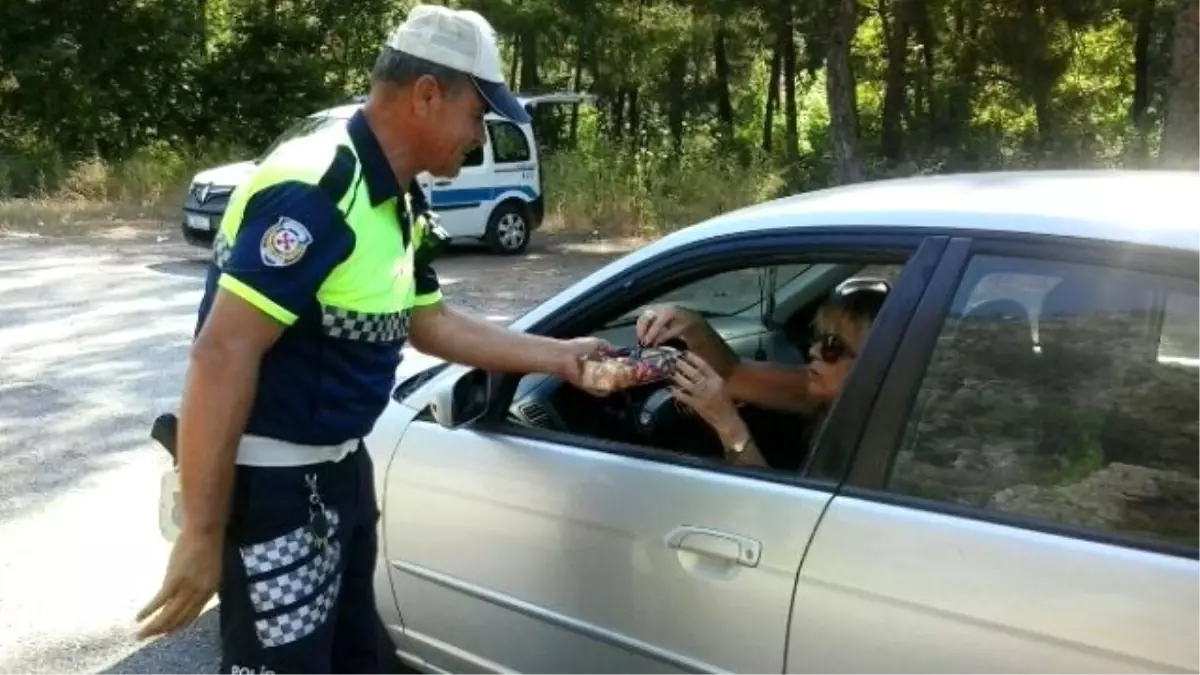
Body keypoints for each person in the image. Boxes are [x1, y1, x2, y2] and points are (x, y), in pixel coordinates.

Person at [134, 6, 608, 673]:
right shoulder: (319, 186)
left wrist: (561, 355)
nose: (478, 137)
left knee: (360, 659)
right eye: (478, 116)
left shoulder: (400, 199)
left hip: (340, 477)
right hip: (278, 491)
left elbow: (429, 321)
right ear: (426, 95)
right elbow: (222, 352)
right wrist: (203, 531)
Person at [637, 278, 889, 468]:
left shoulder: (883, 448)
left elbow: (783, 518)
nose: (813, 350)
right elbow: (733, 374)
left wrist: (728, 425)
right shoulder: (820, 394)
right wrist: (691, 325)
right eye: (819, 338)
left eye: (833, 346)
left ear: (876, 363)